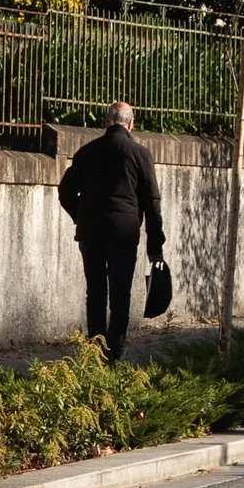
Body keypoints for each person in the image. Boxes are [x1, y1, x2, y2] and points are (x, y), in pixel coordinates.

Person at [57, 100, 167, 362]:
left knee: (95, 291)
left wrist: (79, 216)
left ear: (106, 122)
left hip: (91, 231)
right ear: (130, 124)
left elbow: (65, 192)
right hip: (124, 232)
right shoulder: (140, 154)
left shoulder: (86, 152)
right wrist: (155, 244)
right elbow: (152, 202)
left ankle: (95, 350)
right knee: (120, 293)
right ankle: (114, 353)